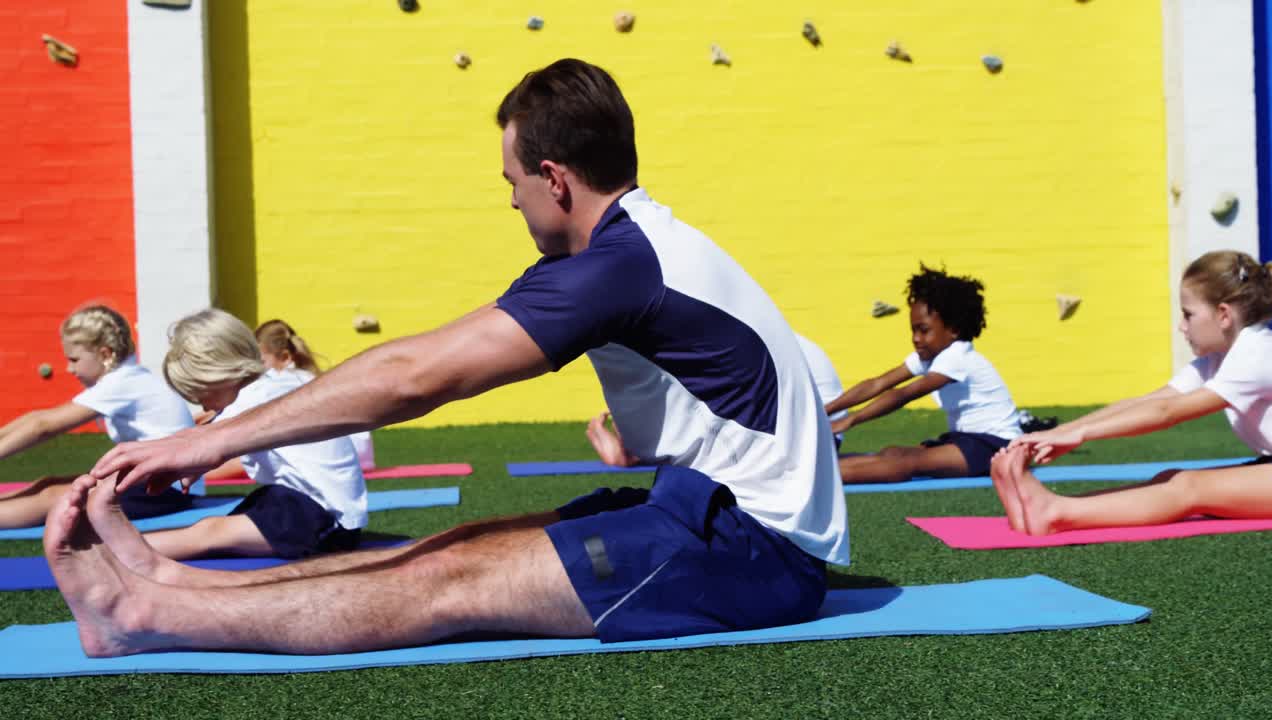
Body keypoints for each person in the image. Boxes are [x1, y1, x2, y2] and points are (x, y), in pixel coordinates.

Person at [47, 58, 848, 659]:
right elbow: (427, 354)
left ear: (554, 179)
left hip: (759, 553)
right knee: (448, 547)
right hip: (705, 509)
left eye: (512, 181)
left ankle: (144, 618)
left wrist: (203, 441)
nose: (509, 200)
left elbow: (414, 380)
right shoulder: (626, 251)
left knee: (448, 583)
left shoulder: (620, 268)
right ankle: (174, 584)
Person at [992, 250, 1272, 535]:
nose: (1182, 326)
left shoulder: (1256, 354)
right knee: (1167, 479)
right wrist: (1063, 431)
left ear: (1223, 315)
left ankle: (1054, 512)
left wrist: (1080, 435)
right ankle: (1050, 508)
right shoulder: (1220, 357)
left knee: (1189, 487)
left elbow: (1166, 413)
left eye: (1188, 314)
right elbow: (1152, 401)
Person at [136, 309, 367, 559]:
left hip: (324, 519)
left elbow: (192, 446)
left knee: (208, 532)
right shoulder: (276, 384)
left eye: (202, 397)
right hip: (300, 501)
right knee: (216, 527)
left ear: (220, 376)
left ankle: (119, 553)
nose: (203, 407)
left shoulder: (255, 398)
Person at [0, 305, 196, 528]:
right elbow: (37, 418)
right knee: (49, 484)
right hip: (159, 483)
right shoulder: (125, 378)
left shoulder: (122, 383)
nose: (69, 369)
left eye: (74, 360)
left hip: (165, 489)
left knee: (56, 496)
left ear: (105, 354)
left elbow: (43, 427)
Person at [824, 265, 1022, 484]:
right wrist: (826, 411)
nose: (916, 338)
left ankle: (817, 480)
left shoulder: (957, 356)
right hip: (967, 438)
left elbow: (905, 394)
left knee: (904, 461)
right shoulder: (930, 356)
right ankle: (817, 473)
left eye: (924, 330)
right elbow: (877, 384)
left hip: (997, 446)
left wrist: (851, 420)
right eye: (913, 330)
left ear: (953, 329)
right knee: (893, 452)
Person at [586, 331, 848, 465]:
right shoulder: (755, 338)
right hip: (811, 435)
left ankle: (629, 448)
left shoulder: (745, 343)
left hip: (808, 438)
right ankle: (630, 446)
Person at [202, 318, 376, 479]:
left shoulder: (275, 381)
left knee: (252, 450)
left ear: (285, 358)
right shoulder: (308, 377)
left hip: (330, 455)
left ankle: (193, 477)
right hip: (358, 455)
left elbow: (219, 422)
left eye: (260, 362)